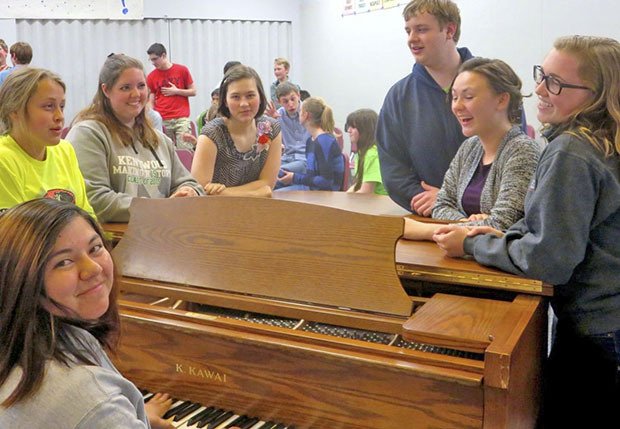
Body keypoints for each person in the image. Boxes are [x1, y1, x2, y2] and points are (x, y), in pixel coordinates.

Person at [432, 36, 620, 428]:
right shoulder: (604, 141)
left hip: (596, 332)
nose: (538, 90)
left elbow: (548, 260)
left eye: (555, 82)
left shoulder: (572, 149)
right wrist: (504, 237)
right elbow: (548, 229)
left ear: (596, 93)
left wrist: (471, 243)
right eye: (542, 76)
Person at [0, 198, 175, 428]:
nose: (93, 268)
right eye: (63, 262)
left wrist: (133, 414)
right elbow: (88, 408)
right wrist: (111, 416)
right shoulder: (92, 400)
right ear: (25, 281)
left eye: (95, 248)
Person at [403, 58, 540, 240]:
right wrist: (464, 223)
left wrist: (422, 231)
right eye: (454, 97)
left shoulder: (523, 151)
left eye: (468, 97)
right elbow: (441, 204)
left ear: (501, 100)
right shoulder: (470, 147)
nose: (457, 106)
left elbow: (502, 225)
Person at [66, 54, 204, 223]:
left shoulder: (161, 140)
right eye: (125, 87)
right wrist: (160, 209)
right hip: (113, 243)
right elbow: (94, 199)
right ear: (106, 90)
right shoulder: (88, 134)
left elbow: (190, 183)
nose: (136, 94)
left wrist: (189, 191)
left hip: (163, 236)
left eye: (141, 86)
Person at [376, 0, 473, 215]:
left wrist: (452, 199)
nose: (412, 39)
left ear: (449, 30)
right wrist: (434, 204)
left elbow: (511, 159)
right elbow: (394, 171)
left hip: (489, 223)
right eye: (408, 31)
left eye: (421, 29)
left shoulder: (492, 85)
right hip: (429, 219)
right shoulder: (398, 97)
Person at [0, 67, 94, 216]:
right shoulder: (4, 159)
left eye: (61, 106)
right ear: (15, 110)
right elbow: (16, 234)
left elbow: (87, 215)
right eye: (49, 106)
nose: (60, 116)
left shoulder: (65, 150)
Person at [190, 65, 281, 196]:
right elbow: (199, 192)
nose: (244, 104)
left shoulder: (271, 129)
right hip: (216, 213)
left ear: (260, 97)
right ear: (225, 101)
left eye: (250, 95)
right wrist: (255, 194)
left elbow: (268, 183)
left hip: (258, 210)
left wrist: (223, 193)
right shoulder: (211, 134)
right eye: (235, 97)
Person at [276, 97, 344, 191]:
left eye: (300, 112)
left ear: (305, 115)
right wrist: (291, 176)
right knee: (274, 183)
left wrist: (295, 178)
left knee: (277, 195)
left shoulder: (324, 141)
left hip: (324, 194)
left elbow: (326, 182)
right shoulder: (310, 140)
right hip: (312, 188)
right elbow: (311, 176)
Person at [146, 43, 196, 149]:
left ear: (163, 55)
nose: (153, 63)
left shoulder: (182, 70)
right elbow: (151, 100)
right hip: (163, 119)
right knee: (166, 151)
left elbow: (193, 91)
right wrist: (150, 115)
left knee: (185, 149)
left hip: (181, 118)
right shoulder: (151, 77)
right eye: (151, 60)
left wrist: (176, 91)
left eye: (155, 59)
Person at [345, 108, 388, 195]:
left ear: (364, 130)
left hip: (380, 205)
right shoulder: (362, 153)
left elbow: (366, 192)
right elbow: (358, 184)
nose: (348, 130)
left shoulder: (372, 154)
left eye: (353, 127)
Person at [273, 81, 309, 178]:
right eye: (285, 101)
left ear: (298, 95)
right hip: (286, 158)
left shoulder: (309, 112)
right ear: (279, 102)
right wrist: (271, 122)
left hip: (305, 160)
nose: (290, 104)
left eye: (293, 99)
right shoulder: (277, 115)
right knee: (263, 172)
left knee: (276, 174)